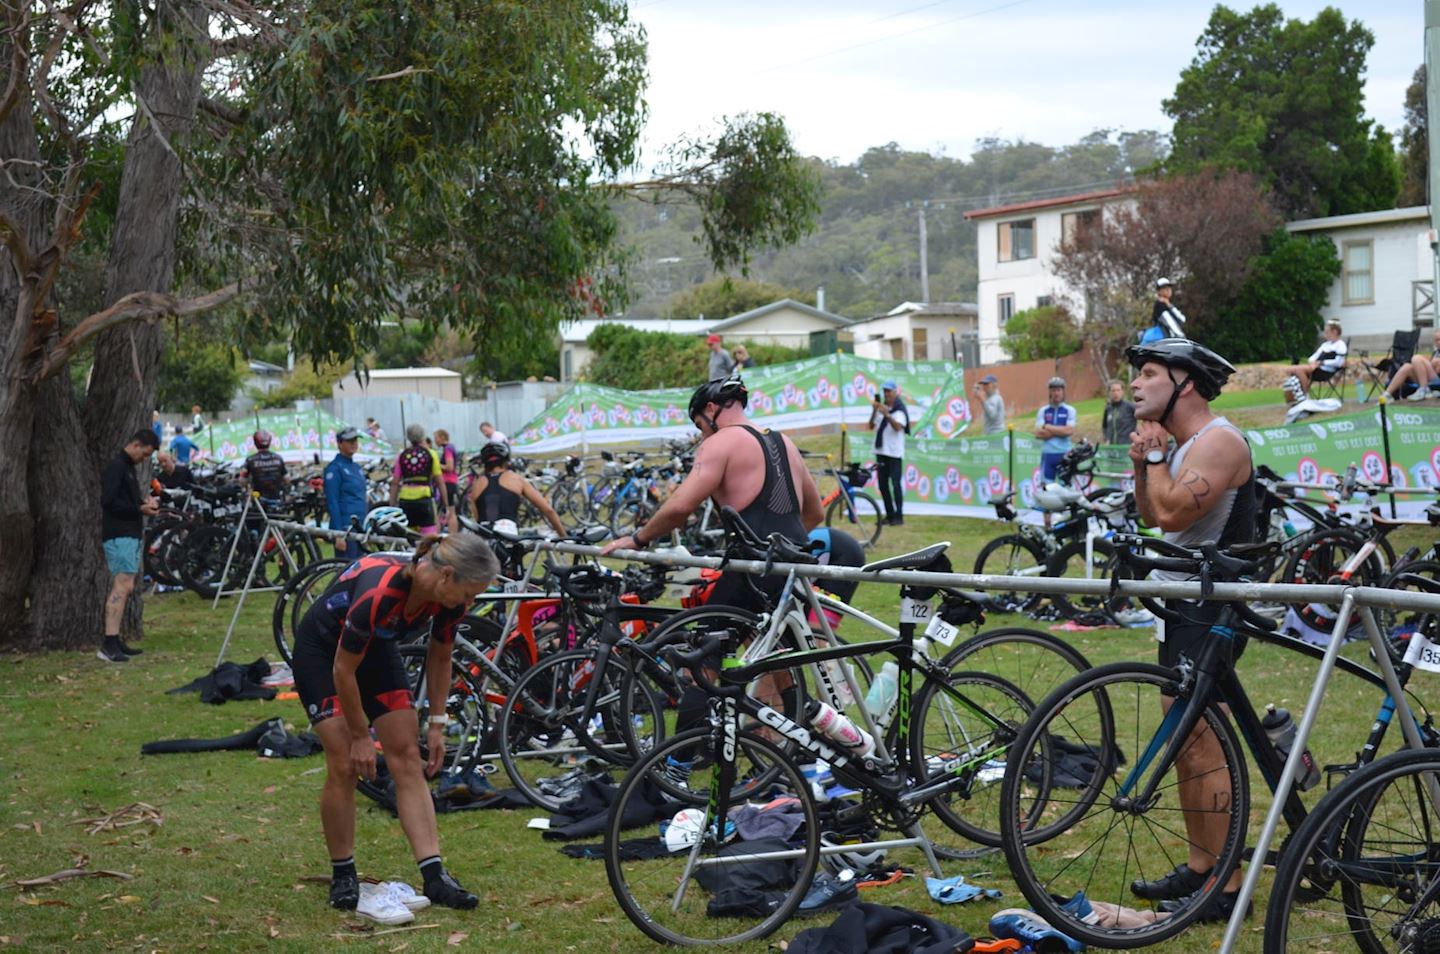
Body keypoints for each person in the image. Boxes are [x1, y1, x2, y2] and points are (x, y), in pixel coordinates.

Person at [601, 374, 824, 739]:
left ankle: (681, 764)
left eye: (699, 426)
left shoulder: (720, 442)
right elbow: (813, 513)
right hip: (791, 564)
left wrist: (638, 539)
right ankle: (793, 747)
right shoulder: (784, 442)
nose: (702, 434)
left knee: (702, 666)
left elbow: (681, 507)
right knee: (778, 660)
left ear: (710, 409)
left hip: (753, 567)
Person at [291, 533, 500, 919]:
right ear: (446, 576)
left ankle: (434, 875)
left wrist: (437, 723)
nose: (470, 604)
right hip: (323, 654)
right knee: (344, 761)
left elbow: (441, 656)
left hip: (375, 650)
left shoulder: (448, 594)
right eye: (469, 595)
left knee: (406, 754)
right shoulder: (381, 591)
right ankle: (343, 873)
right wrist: (359, 735)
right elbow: (342, 669)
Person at [1126, 337, 1255, 923]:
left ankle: (1225, 885)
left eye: (1148, 373)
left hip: (1214, 608)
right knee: (1184, 742)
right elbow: (1152, 513)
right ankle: (1203, 866)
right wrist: (1143, 462)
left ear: (1186, 385)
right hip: (1183, 606)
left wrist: (1154, 461)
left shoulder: (1219, 441)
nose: (1134, 384)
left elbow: (1176, 511)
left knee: (1205, 743)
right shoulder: (1181, 446)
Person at [99, 429, 161, 663]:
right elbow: (108, 501)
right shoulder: (117, 467)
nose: (143, 459)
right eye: (144, 454)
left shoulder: (128, 469)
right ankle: (108, 643)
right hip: (119, 534)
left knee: (126, 585)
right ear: (135, 445)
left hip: (129, 534)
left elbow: (127, 500)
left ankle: (114, 640)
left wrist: (144, 502)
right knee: (121, 585)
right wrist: (138, 509)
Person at [466, 441, 566, 536]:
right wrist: (563, 536)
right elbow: (548, 510)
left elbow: (477, 516)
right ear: (506, 460)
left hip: (483, 535)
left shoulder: (477, 484)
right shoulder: (515, 479)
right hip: (507, 533)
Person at [390, 424, 445, 534]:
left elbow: (395, 482)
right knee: (429, 537)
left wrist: (392, 505)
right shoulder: (431, 454)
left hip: (405, 500)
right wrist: (446, 503)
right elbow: (440, 482)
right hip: (424, 498)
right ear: (423, 436)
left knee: (408, 536)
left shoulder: (402, 455)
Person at [324, 427, 369, 559]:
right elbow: (332, 501)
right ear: (339, 444)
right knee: (347, 571)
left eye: (355, 440)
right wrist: (339, 534)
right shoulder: (335, 468)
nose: (354, 443)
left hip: (360, 526)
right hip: (345, 526)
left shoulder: (356, 467)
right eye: (349, 441)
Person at [869, 381, 909, 526]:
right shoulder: (881, 408)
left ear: (895, 392)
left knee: (896, 484)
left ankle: (899, 516)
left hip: (894, 453)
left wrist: (887, 415)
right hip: (881, 451)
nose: (886, 394)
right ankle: (889, 515)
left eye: (889, 391)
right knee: (883, 485)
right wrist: (875, 410)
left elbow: (898, 427)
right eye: (885, 391)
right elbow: (871, 425)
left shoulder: (899, 409)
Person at [1281, 320, 1347, 403]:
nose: (1325, 334)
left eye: (1327, 332)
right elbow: (1313, 357)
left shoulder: (1340, 345)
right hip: (1315, 368)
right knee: (1292, 369)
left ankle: (1304, 397)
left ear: (1334, 332)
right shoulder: (1325, 345)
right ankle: (1298, 396)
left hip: (1325, 371)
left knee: (1297, 370)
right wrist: (1313, 362)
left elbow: (1339, 362)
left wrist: (1322, 363)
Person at [1383, 327, 1440, 401]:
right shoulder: (1436, 352)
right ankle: (1387, 395)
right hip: (1430, 380)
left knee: (1416, 358)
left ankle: (1424, 389)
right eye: (1437, 340)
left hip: (1437, 381)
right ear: (1434, 342)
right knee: (1407, 367)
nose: (1439, 342)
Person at [243, 430, 289, 500]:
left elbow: (242, 479)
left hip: (258, 499)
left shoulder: (250, 460)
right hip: (277, 498)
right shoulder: (278, 458)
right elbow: (287, 478)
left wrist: (247, 488)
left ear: (255, 443)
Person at [1141, 278, 1187, 344]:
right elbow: (1171, 324)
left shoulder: (1169, 305)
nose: (1168, 290)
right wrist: (1183, 339)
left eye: (1169, 287)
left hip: (1168, 341)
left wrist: (1170, 306)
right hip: (1160, 341)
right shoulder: (1160, 305)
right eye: (1164, 288)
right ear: (1159, 291)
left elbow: (1182, 319)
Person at [433, 429, 460, 516]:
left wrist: (436, 464)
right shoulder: (448, 447)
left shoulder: (448, 449)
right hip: (450, 481)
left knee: (449, 511)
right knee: (449, 510)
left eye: (436, 438)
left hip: (448, 482)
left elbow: (449, 467)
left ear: (442, 437)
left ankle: (451, 529)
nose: (435, 440)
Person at [1101, 379, 1138, 445]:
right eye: (1113, 390)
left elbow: (1144, 419)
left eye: (1118, 390)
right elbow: (1104, 426)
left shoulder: (1130, 406)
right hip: (1112, 447)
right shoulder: (1108, 408)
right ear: (1109, 392)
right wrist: (1106, 438)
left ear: (1122, 392)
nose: (1116, 393)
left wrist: (1137, 436)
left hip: (1127, 447)